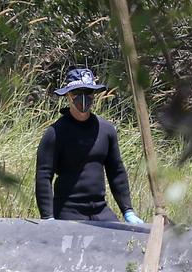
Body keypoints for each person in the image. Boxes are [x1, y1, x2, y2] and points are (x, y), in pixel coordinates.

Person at [35, 66, 144, 224]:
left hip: (100, 210)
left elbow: (116, 171)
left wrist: (128, 211)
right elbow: (44, 175)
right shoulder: (55, 133)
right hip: (68, 210)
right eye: (77, 93)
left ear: (94, 95)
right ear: (68, 95)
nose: (83, 98)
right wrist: (48, 217)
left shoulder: (106, 130)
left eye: (88, 92)